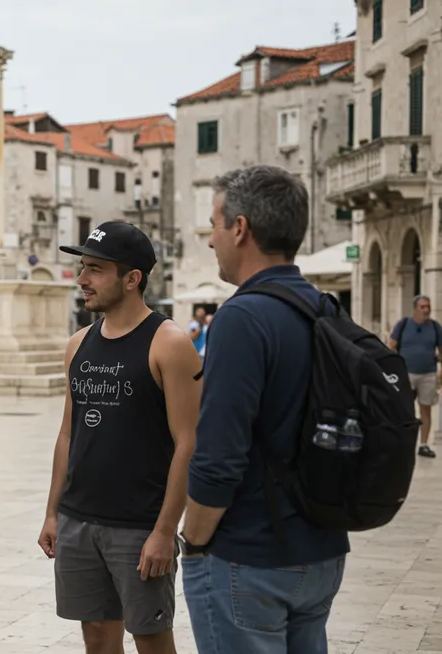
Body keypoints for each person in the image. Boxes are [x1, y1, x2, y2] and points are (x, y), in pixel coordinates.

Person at [182, 165, 349, 653]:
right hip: (322, 550)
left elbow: (218, 456)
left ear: (239, 228)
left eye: (214, 225)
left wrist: (193, 542)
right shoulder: (326, 309)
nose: (210, 240)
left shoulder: (241, 317)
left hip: (251, 556)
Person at [38, 221, 202, 654]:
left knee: (150, 639)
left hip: (138, 525)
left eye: (95, 269)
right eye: (82, 267)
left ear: (132, 279)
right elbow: (68, 434)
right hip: (78, 519)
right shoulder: (78, 344)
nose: (81, 279)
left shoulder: (169, 343)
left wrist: (165, 531)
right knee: (96, 636)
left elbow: (189, 444)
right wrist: (53, 513)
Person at [388, 295, 441, 458]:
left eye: (428, 306)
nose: (426, 310)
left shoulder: (435, 327)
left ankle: (423, 445)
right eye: (422, 307)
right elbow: (391, 347)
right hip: (406, 374)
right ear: (414, 309)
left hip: (428, 374)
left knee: (426, 409)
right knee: (403, 409)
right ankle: (401, 444)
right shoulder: (403, 324)